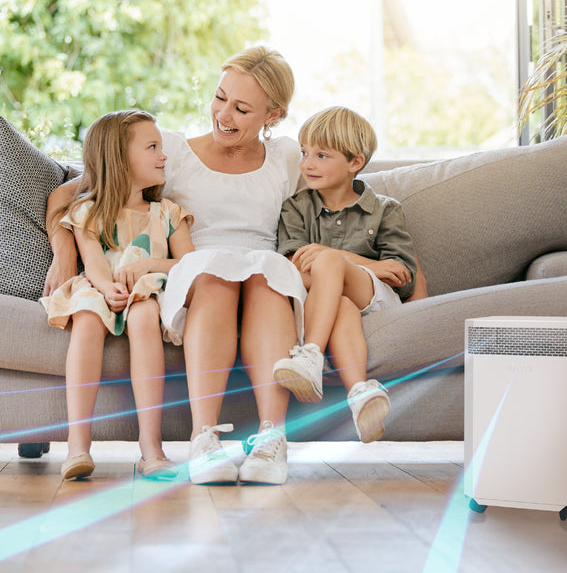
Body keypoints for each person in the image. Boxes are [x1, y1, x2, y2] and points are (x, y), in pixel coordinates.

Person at [46, 46, 312, 486]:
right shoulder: (171, 150)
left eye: (242, 108)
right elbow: (67, 195)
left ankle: (271, 437)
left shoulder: (285, 155)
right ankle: (203, 438)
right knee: (214, 276)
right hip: (194, 272)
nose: (223, 113)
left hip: (260, 269)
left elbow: (337, 199)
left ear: (273, 114)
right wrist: (65, 252)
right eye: (219, 97)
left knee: (267, 275)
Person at [41, 110, 194, 481]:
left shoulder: (167, 212)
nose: (163, 156)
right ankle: (78, 445)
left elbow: (190, 263)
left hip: (146, 290)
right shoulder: (87, 211)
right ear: (118, 157)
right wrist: (107, 286)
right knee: (88, 318)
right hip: (101, 286)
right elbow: (92, 261)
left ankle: (151, 448)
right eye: (153, 147)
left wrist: (150, 265)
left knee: (143, 316)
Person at [275, 106, 418, 443]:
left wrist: (336, 259)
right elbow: (293, 264)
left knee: (326, 263)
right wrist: (367, 263)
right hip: (328, 300)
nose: (307, 163)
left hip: (374, 296)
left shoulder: (384, 209)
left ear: (355, 162)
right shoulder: (295, 208)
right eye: (304, 152)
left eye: (321, 155)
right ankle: (361, 395)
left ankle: (310, 353)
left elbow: (402, 274)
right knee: (339, 301)